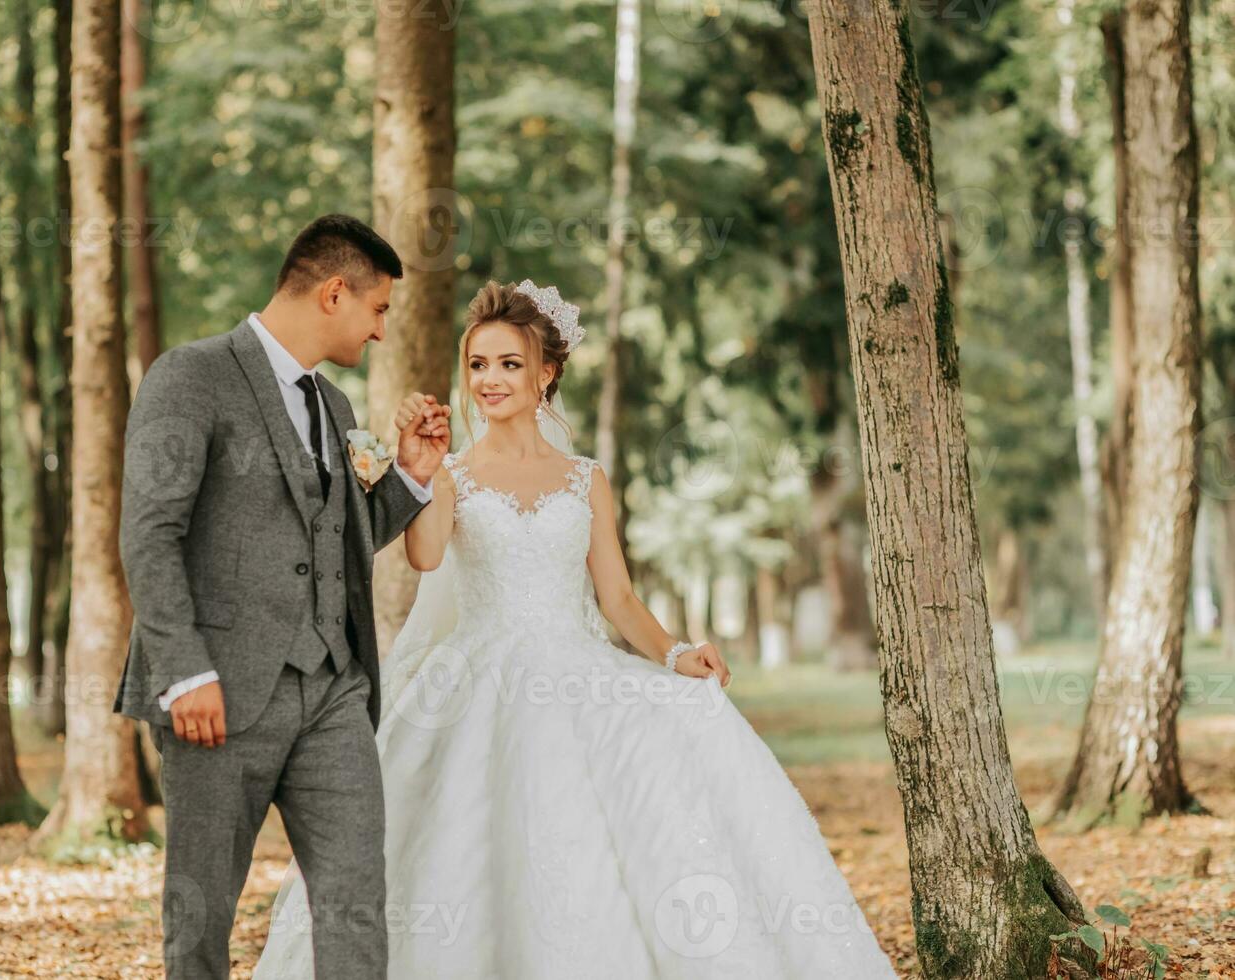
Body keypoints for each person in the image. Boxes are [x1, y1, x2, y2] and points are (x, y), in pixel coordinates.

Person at [253, 279, 899, 978]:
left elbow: (618, 598)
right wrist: (424, 469)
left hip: (578, 670)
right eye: (477, 365)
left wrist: (677, 652)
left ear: (546, 373)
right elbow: (426, 556)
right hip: (478, 682)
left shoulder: (585, 478)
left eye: (508, 364)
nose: (490, 380)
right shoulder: (455, 475)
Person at [115, 213, 452, 979]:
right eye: (377, 311)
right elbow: (149, 534)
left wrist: (409, 478)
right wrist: (184, 670)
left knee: (357, 897)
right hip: (218, 695)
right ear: (335, 293)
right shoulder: (189, 376)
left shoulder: (332, 408)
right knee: (200, 915)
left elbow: (333, 542)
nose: (379, 334)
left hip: (333, 693)